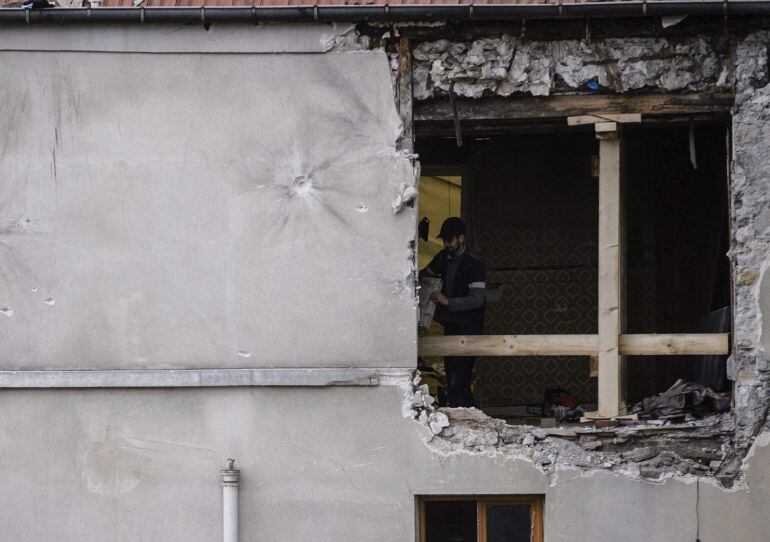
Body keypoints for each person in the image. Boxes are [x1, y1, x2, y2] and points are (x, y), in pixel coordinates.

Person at [419, 217, 486, 407]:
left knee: (461, 378)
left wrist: (448, 301)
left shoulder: (474, 264)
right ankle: (462, 413)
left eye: (450, 240)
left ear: (461, 239)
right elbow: (425, 274)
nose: (446, 244)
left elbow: (477, 299)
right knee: (452, 376)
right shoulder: (443, 258)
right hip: (452, 325)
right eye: (444, 240)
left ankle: (467, 414)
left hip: (469, 326)